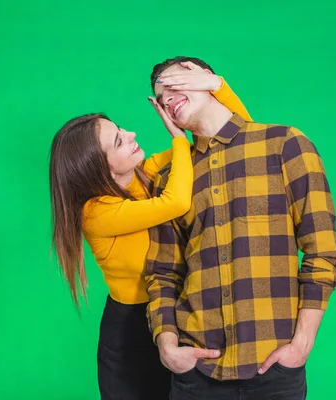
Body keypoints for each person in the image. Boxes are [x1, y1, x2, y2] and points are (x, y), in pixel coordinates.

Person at [48, 62, 252, 400]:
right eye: (118, 140)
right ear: (100, 167)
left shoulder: (145, 174)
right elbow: (175, 203)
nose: (131, 135)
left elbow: (235, 136)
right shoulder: (96, 213)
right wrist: (177, 138)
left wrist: (216, 84)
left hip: (177, 312)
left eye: (121, 128)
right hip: (132, 330)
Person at [146, 56, 336, 400]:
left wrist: (301, 345)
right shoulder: (170, 179)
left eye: (173, 81)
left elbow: (322, 251)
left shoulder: (285, 145)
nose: (165, 95)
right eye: (159, 95)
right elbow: (163, 272)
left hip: (274, 368)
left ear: (207, 77)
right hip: (196, 374)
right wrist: (167, 346)